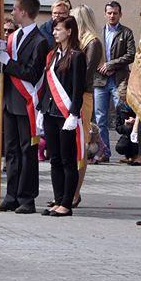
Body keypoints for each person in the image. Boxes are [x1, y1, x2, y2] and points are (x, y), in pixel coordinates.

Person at [0, 0, 49, 214]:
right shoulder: (13, 38)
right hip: (9, 102)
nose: (12, 12)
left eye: (15, 9)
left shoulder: (40, 41)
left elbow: (32, 74)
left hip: (26, 104)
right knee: (11, 151)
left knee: (28, 151)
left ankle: (27, 198)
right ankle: (11, 194)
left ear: (24, 12)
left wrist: (9, 62)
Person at [40, 16, 86, 217]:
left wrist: (74, 114)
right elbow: (47, 86)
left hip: (66, 114)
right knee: (55, 158)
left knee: (68, 159)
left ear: (69, 31)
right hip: (51, 112)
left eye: (58, 29)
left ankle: (67, 203)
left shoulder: (77, 56)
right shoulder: (52, 55)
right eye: (54, 29)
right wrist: (42, 109)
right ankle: (57, 199)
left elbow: (78, 89)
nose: (55, 33)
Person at [68, 5, 104, 206]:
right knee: (69, 146)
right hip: (73, 95)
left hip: (83, 96)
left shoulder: (93, 43)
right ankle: (67, 191)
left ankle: (75, 192)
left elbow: (86, 73)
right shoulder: (79, 41)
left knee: (80, 144)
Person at [92, 0, 135, 164]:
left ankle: (129, 152)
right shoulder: (97, 33)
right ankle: (104, 151)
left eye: (115, 13)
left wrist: (111, 65)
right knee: (100, 117)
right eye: (109, 13)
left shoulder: (126, 33)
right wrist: (101, 67)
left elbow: (131, 55)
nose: (112, 15)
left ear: (120, 14)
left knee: (124, 116)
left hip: (119, 80)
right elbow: (91, 55)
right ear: (105, 14)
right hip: (100, 80)